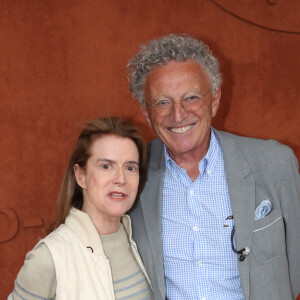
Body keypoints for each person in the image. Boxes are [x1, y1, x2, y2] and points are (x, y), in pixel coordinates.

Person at [127, 34, 300, 300]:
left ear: (215, 100)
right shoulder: (132, 174)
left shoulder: (275, 163)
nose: (178, 114)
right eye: (163, 102)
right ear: (146, 112)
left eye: (192, 97)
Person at [8, 116, 153, 300]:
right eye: (106, 166)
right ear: (80, 175)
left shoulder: (140, 241)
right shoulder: (49, 257)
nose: (121, 179)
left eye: (130, 168)